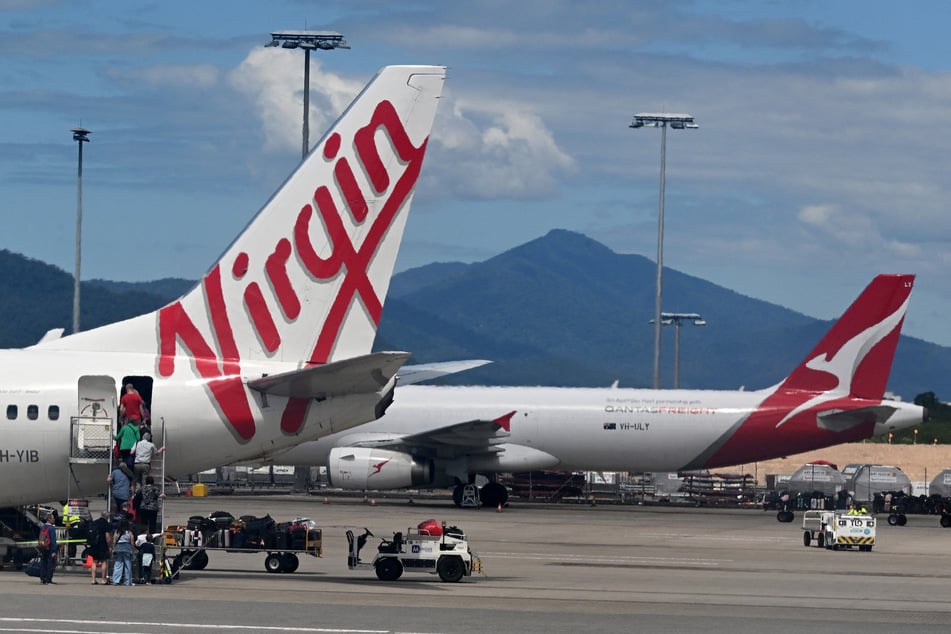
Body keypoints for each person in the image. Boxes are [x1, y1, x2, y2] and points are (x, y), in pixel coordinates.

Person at [87, 511, 113, 585]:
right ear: (107, 516)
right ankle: (103, 579)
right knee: (104, 561)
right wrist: (110, 546)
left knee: (94, 561)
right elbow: (107, 537)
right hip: (103, 544)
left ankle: (93, 579)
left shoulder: (95, 522)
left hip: (94, 544)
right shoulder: (106, 524)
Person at [111, 519, 135, 586]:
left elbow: (114, 541)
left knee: (118, 565)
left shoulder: (117, 532)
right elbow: (132, 542)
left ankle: (116, 580)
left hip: (118, 548)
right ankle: (128, 581)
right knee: (128, 566)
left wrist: (113, 549)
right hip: (127, 548)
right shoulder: (129, 532)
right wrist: (133, 550)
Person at [36, 514, 58, 585]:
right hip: (50, 548)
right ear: (49, 519)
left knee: (43, 563)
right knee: (50, 564)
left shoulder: (42, 527)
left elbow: (40, 538)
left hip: (43, 547)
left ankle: (42, 578)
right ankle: (48, 579)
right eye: (53, 518)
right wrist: (54, 550)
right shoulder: (52, 528)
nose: (54, 519)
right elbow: (53, 540)